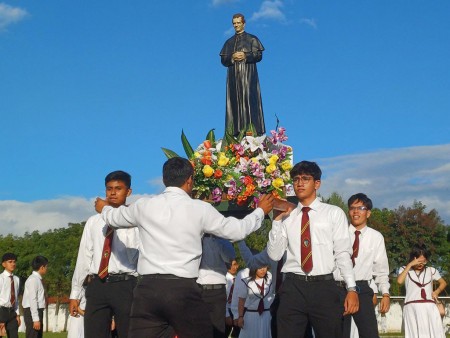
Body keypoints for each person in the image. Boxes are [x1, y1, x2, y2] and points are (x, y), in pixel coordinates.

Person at [94, 157, 274, 338]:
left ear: (164, 180)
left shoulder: (144, 205)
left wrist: (104, 208)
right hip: (183, 289)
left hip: (147, 290)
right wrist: (260, 212)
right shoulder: (199, 208)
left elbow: (114, 218)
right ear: (189, 180)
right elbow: (237, 231)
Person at [267, 161, 359, 338]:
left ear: (317, 183)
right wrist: (276, 221)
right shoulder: (288, 216)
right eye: (296, 179)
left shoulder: (333, 213)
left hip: (324, 286)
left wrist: (352, 288)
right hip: (293, 286)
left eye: (305, 179)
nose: (299, 183)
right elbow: (275, 254)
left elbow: (342, 253)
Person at [69, 170, 139, 338]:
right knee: (94, 333)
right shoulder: (94, 222)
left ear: (128, 192)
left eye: (118, 188)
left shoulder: (135, 220)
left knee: (129, 333)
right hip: (97, 285)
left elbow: (133, 255)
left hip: (125, 284)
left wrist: (114, 218)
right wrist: (75, 293)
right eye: (109, 189)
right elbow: (84, 257)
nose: (113, 193)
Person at [334, 193, 390, 338]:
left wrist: (385, 293)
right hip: (337, 288)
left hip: (362, 289)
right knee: (338, 333)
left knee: (369, 333)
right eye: (352, 208)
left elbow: (381, 269)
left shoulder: (376, 237)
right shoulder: (338, 233)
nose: (356, 211)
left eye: (361, 208)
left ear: (368, 212)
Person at [220, 13, 265, 136]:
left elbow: (258, 55)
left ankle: (252, 131)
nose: (236, 25)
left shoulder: (252, 39)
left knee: (249, 101)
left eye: (238, 23)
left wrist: (245, 55)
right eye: (234, 23)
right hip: (234, 77)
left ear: (243, 23)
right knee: (234, 102)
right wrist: (232, 57)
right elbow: (223, 60)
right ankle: (235, 132)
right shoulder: (229, 42)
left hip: (248, 76)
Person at [397, 244, 447, 338]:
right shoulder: (405, 269)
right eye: (418, 261)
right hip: (411, 307)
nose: (420, 264)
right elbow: (399, 281)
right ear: (413, 258)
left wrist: (436, 292)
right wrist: (410, 265)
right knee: (414, 334)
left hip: (429, 307)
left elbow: (443, 283)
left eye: (423, 262)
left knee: (433, 333)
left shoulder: (431, 270)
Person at [197, 235, 236, 338]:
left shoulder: (221, 239)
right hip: (198, 289)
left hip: (217, 291)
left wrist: (218, 237)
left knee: (218, 330)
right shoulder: (196, 237)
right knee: (199, 329)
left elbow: (229, 257)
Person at [236, 264, 275, 338]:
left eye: (264, 267)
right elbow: (241, 300)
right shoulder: (246, 282)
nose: (263, 270)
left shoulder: (271, 281)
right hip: (251, 316)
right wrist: (240, 317)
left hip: (266, 316)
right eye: (260, 267)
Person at [22, 255, 48, 338]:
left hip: (36, 311)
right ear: (42, 267)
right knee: (33, 335)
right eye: (46, 266)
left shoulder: (37, 279)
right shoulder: (33, 280)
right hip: (32, 312)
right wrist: (36, 319)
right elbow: (32, 300)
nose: (47, 269)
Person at [0, 253, 20, 338]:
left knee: (14, 336)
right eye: (10, 262)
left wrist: (18, 314)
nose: (13, 264)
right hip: (1, 311)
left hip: (12, 312)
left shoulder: (16, 279)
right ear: (4, 264)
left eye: (14, 262)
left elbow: (16, 298)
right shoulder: (1, 278)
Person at [225, 259, 240, 338]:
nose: (234, 267)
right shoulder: (224, 279)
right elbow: (223, 299)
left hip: (236, 311)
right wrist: (226, 314)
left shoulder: (238, 279)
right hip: (226, 310)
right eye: (231, 265)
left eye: (235, 264)